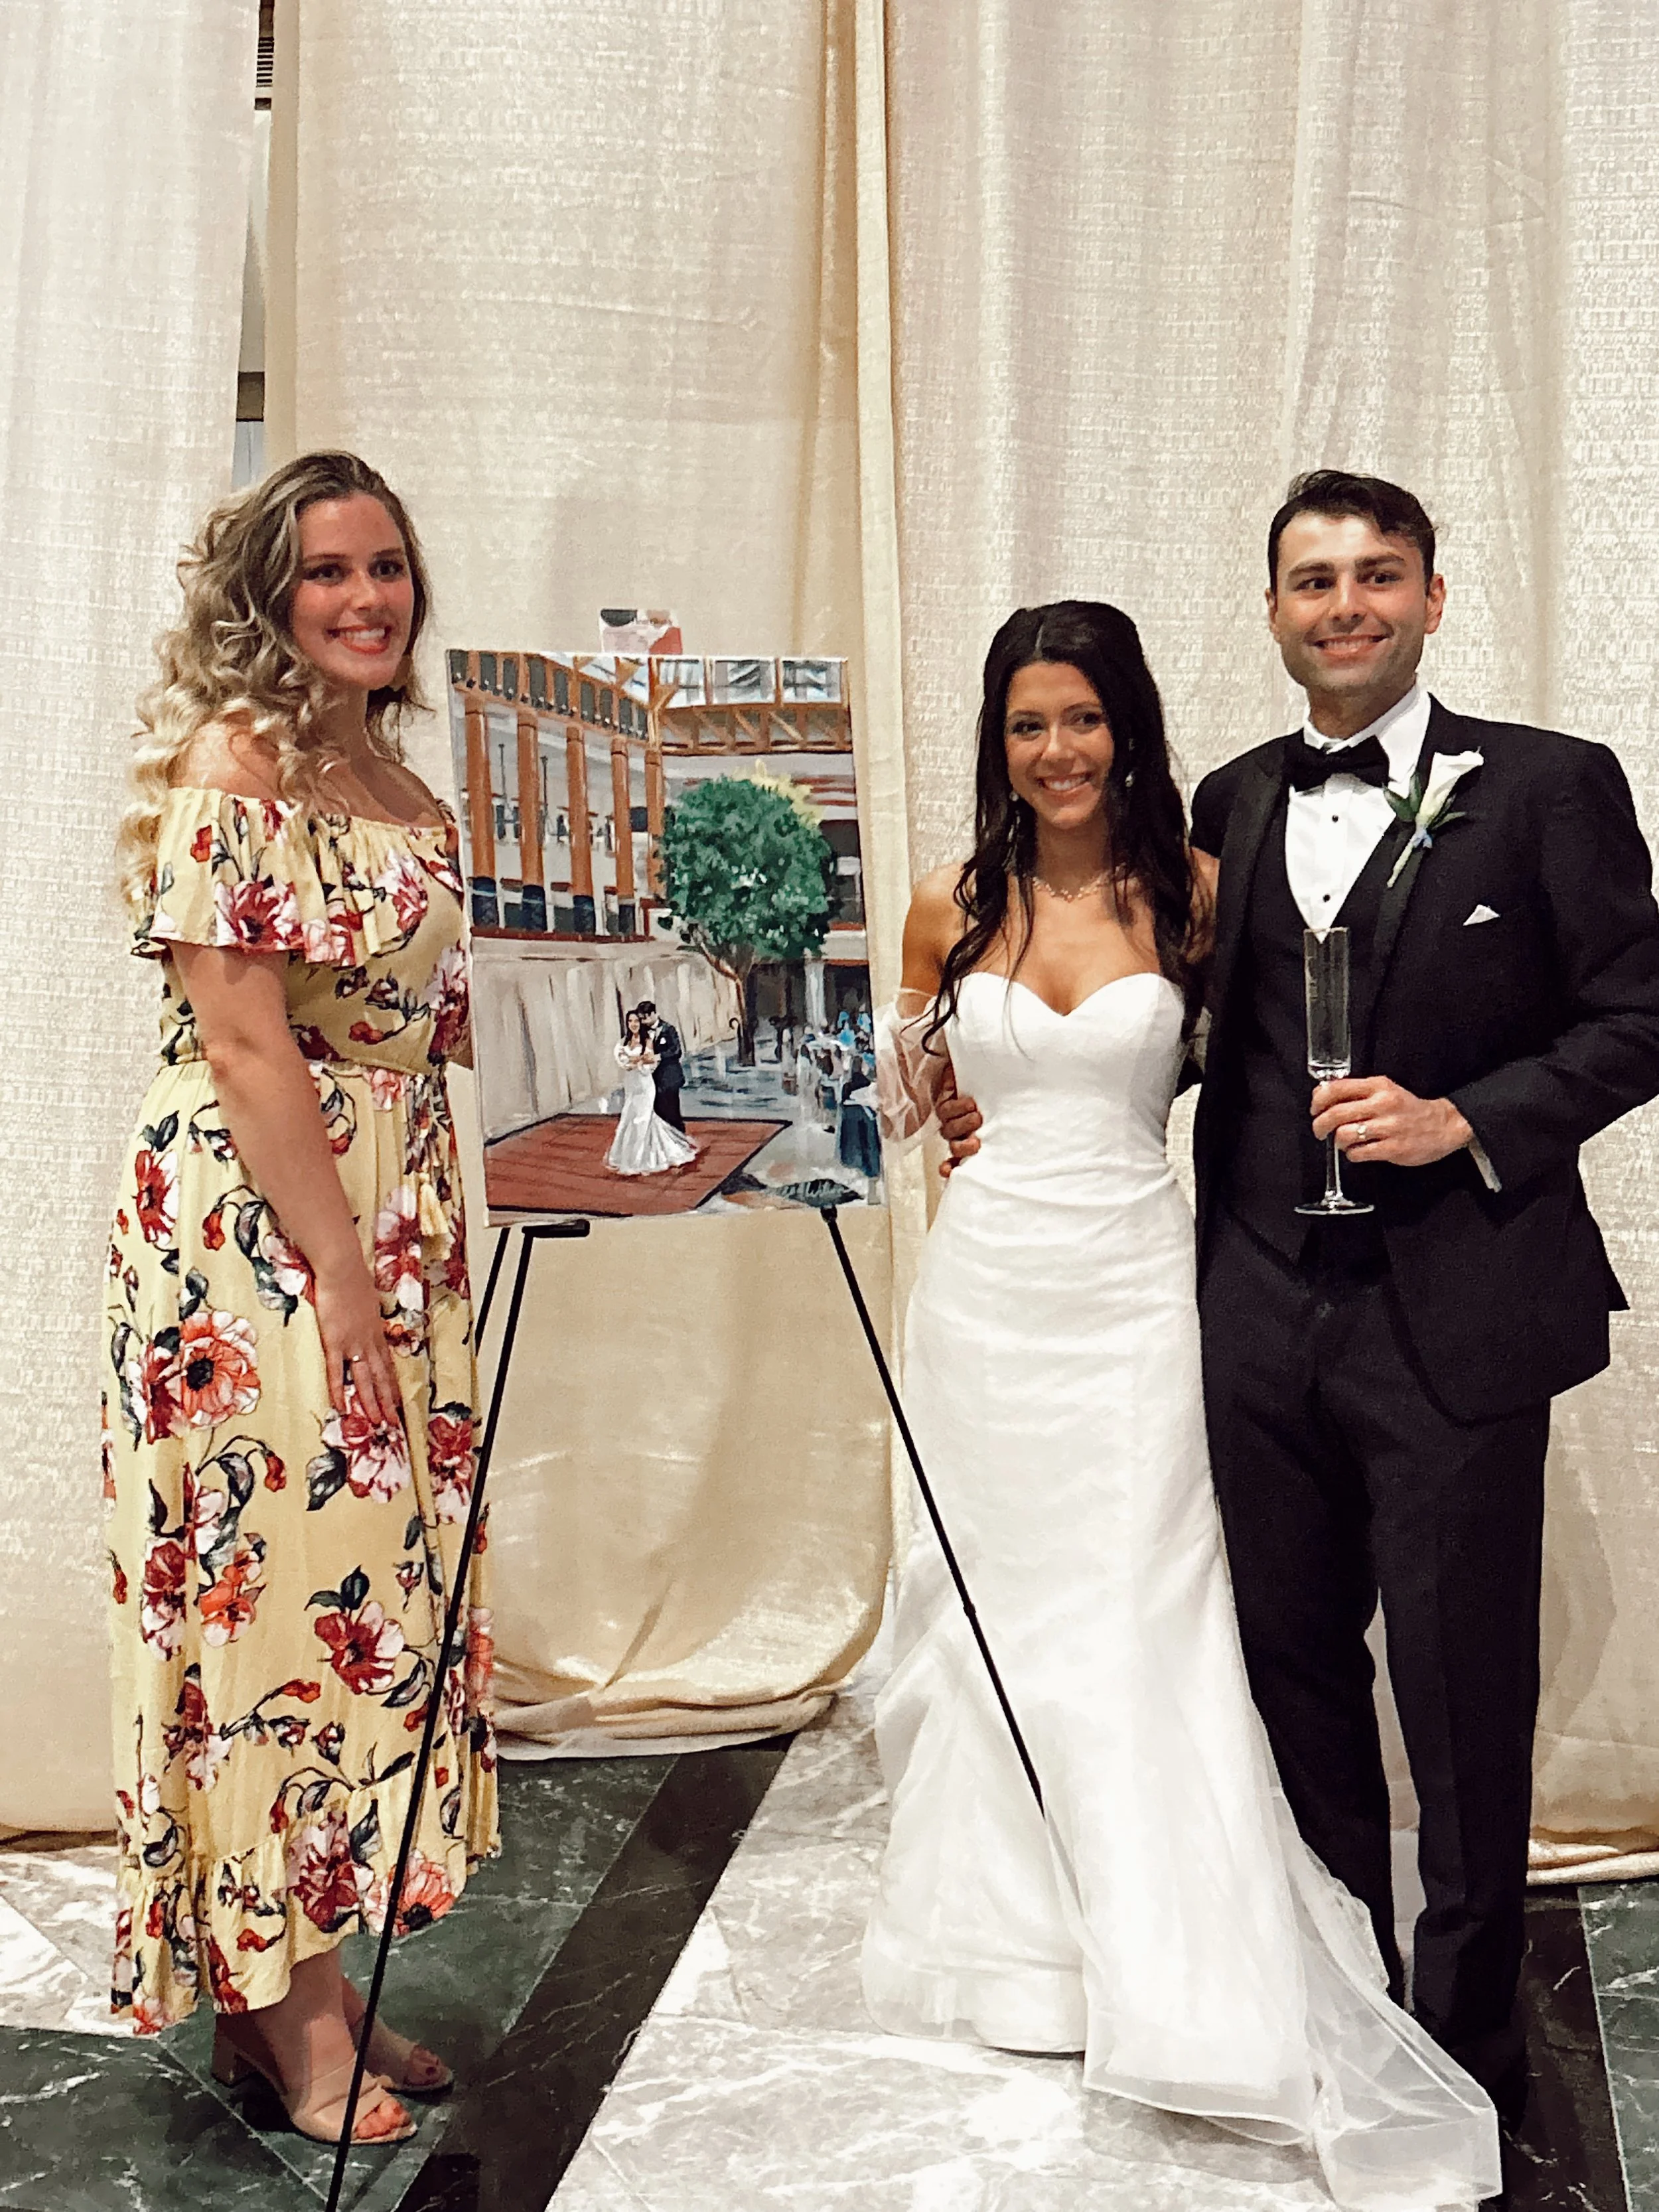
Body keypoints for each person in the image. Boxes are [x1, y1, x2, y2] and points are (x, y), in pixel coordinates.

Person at [938, 480, 1659, 2144]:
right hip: (1246, 1309)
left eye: (1374, 575)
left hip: (1454, 1316)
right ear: (1270, 612)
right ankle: (1337, 1998)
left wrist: (1466, 1117)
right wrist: (996, 1092)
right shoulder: (1227, 807)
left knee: (1460, 1693)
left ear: (1430, 597)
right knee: (1288, 1669)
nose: (1343, 605)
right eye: (1311, 580)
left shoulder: (1546, 785)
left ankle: (1464, 2045)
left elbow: (1638, 1014)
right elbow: (1184, 1029)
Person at [869, 600, 1498, 2211]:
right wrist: (922, 1098)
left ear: (1128, 729)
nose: (1056, 750)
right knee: (1000, 1610)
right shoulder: (949, 900)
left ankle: (1171, 1954)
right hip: (985, 1303)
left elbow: (1272, 1074)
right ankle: (1027, 1947)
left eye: (1082, 718)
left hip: (1140, 1296)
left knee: (1144, 1606)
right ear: (998, 741)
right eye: (1027, 723)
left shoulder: (1201, 894)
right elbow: (901, 1102)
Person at [106, 451, 497, 2144]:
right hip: (262, 1232)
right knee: (269, 1603)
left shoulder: (390, 773)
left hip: (389, 1214)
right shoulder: (235, 764)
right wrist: (340, 1265)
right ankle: (285, 2017)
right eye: (327, 572)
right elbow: (248, 1039)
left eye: (385, 566)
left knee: (371, 1593)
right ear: (266, 599)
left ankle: (311, 1982)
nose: (365, 598)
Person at [606, 1005, 698, 1175]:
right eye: (632, 1021)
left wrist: (643, 1060)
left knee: (658, 1115)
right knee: (634, 1116)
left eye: (639, 1020)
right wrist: (637, 1061)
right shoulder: (624, 1042)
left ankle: (670, 1147)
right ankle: (633, 1155)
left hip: (657, 1080)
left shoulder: (664, 1031)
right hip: (633, 1085)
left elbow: (672, 1053)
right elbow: (623, 1061)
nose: (636, 1023)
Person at [634, 997, 685, 1130]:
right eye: (641, 1019)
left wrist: (659, 1057)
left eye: (645, 1018)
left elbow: (676, 1051)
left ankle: (679, 1138)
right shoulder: (642, 1031)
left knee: (672, 1111)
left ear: (653, 1014)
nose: (643, 1022)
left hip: (669, 1077)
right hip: (652, 1079)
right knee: (657, 1112)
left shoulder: (669, 1029)